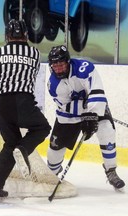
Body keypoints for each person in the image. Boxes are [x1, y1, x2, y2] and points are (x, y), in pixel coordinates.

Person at [0, 19, 51, 200]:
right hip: (23, 102)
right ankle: (23, 149)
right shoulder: (34, 54)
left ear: (7, 35)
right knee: (42, 128)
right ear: (26, 35)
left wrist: (1, 84)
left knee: (10, 144)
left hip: (1, 105)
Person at [46, 45, 125, 190]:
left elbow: (96, 92)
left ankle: (111, 170)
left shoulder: (84, 68)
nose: (58, 69)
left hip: (95, 109)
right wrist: (86, 113)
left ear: (68, 62)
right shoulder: (53, 84)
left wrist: (92, 114)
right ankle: (51, 173)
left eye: (61, 65)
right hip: (68, 116)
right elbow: (65, 107)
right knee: (55, 149)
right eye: (54, 65)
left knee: (107, 131)